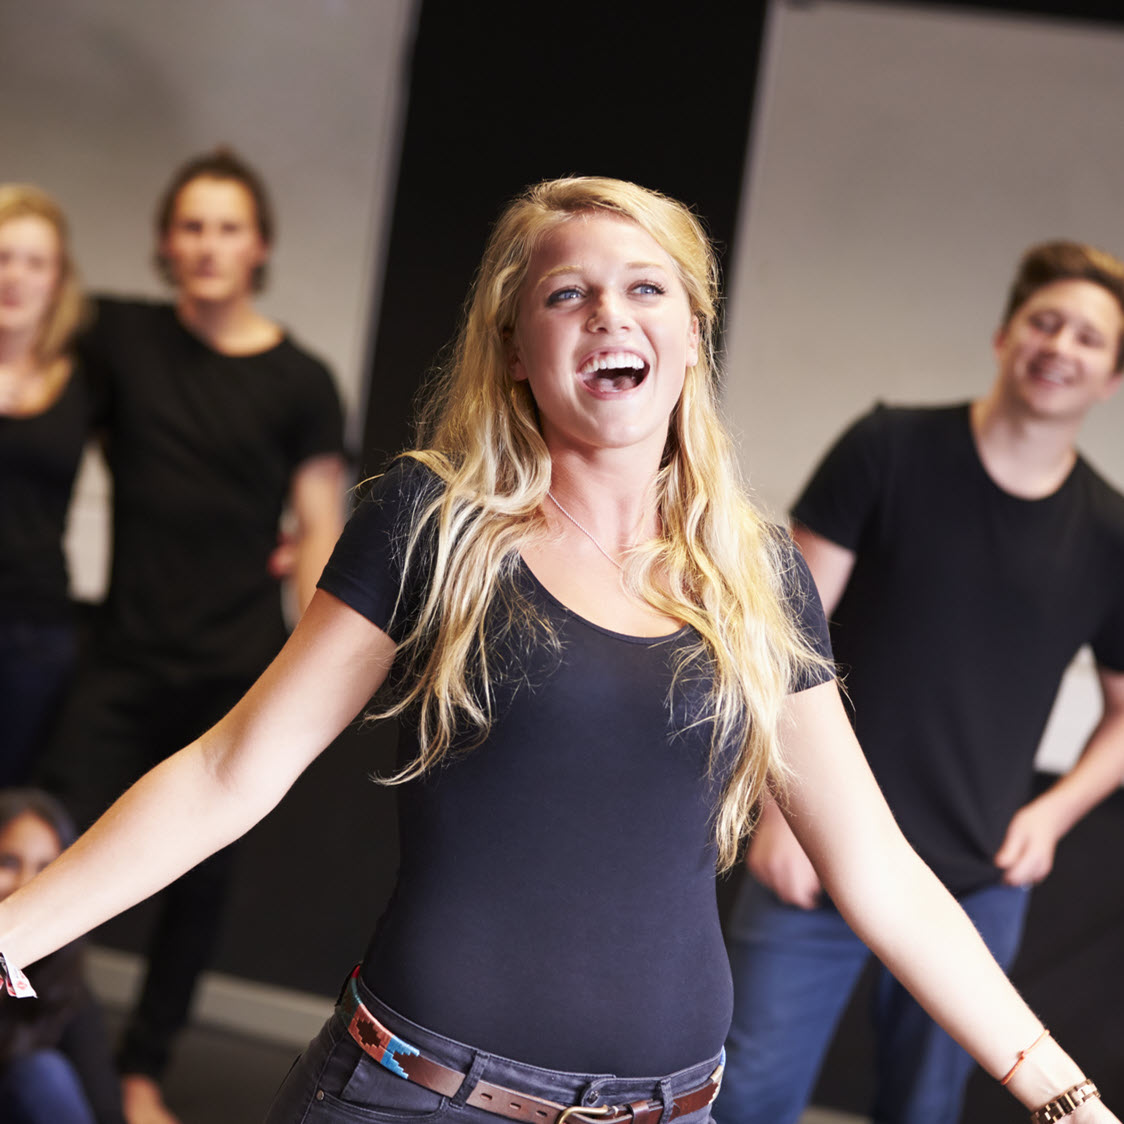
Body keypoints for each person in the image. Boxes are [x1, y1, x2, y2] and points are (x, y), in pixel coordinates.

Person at [0, 179, 1117, 1124]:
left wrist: (1063, 1095)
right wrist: (16, 924)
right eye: (565, 293)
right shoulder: (432, 524)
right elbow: (226, 769)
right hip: (418, 1095)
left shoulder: (754, 573)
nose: (606, 316)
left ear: (690, 334)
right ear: (517, 347)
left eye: (643, 289)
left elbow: (878, 871)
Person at [719, 240, 1124, 1124]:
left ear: (1110, 379)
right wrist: (781, 811)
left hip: (974, 884)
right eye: (1044, 322)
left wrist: (1052, 816)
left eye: (1089, 339)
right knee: (746, 1097)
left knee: (925, 1110)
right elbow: (780, 630)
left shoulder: (1109, 533)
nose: (1060, 345)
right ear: (1004, 336)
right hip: (819, 854)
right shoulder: (890, 448)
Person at [35, 149, 346, 1124]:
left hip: (235, 672)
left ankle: (137, 1070)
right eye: (192, 226)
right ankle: (30, 1046)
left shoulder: (301, 379)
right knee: (39, 845)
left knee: (195, 890)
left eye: (228, 227)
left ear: (258, 247)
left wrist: (315, 674)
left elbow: (319, 530)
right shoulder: (122, 340)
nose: (208, 244)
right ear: (166, 244)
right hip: (122, 659)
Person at [0, 185, 92, 784]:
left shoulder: (85, 381)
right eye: (3, 257)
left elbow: (163, 466)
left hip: (33, 631)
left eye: (35, 262)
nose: (16, 276)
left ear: (58, 280)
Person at [0, 789, 125, 1124]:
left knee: (42, 1074)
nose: (26, 883)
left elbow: (107, 1113)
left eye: (45, 868)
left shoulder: (68, 987)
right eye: (8, 862)